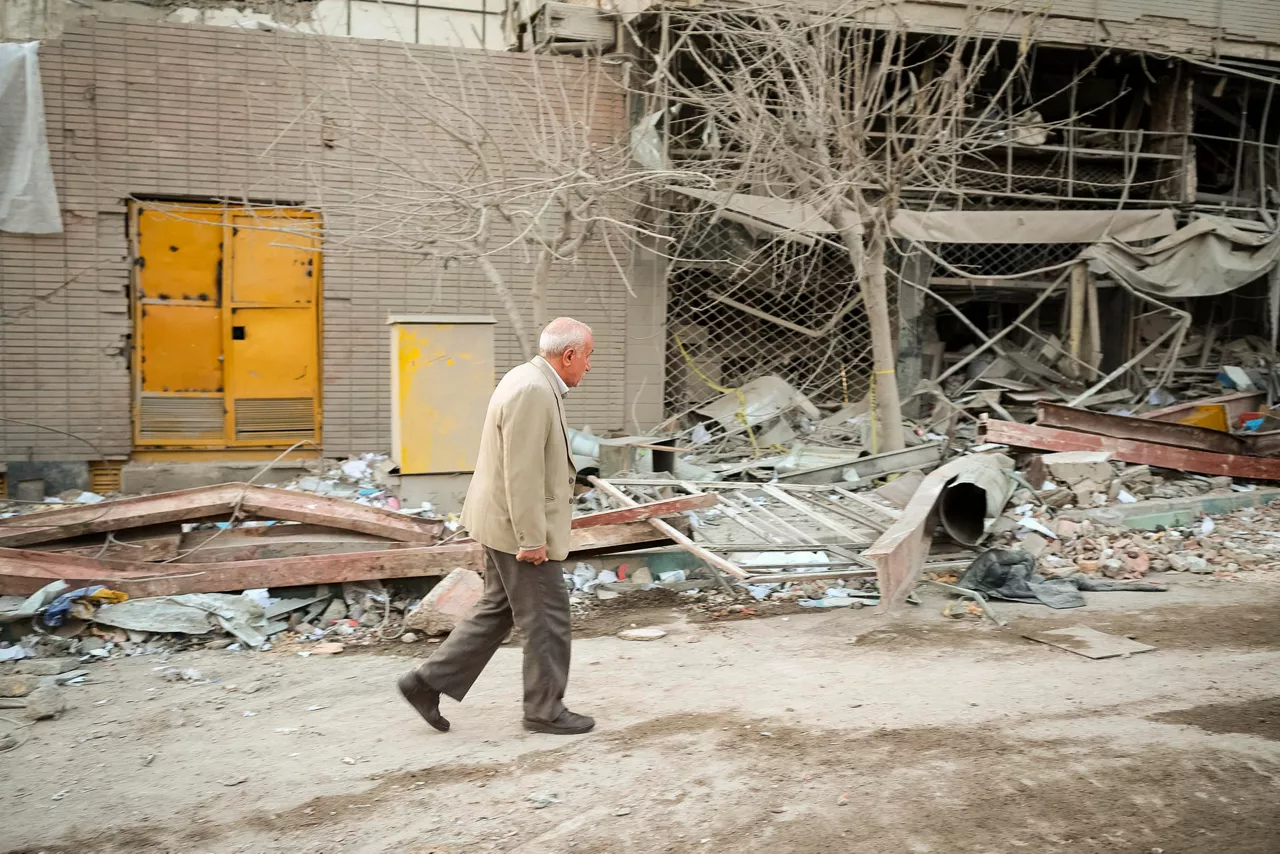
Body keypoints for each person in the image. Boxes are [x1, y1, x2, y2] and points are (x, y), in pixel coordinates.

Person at [397, 317, 596, 735]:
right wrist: (532, 539)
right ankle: (544, 709)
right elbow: (519, 473)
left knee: (499, 609)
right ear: (570, 355)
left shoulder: (530, 379)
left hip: (500, 520)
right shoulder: (532, 390)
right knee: (548, 619)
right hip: (515, 528)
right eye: (589, 357)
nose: (589, 366)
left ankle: (425, 683)